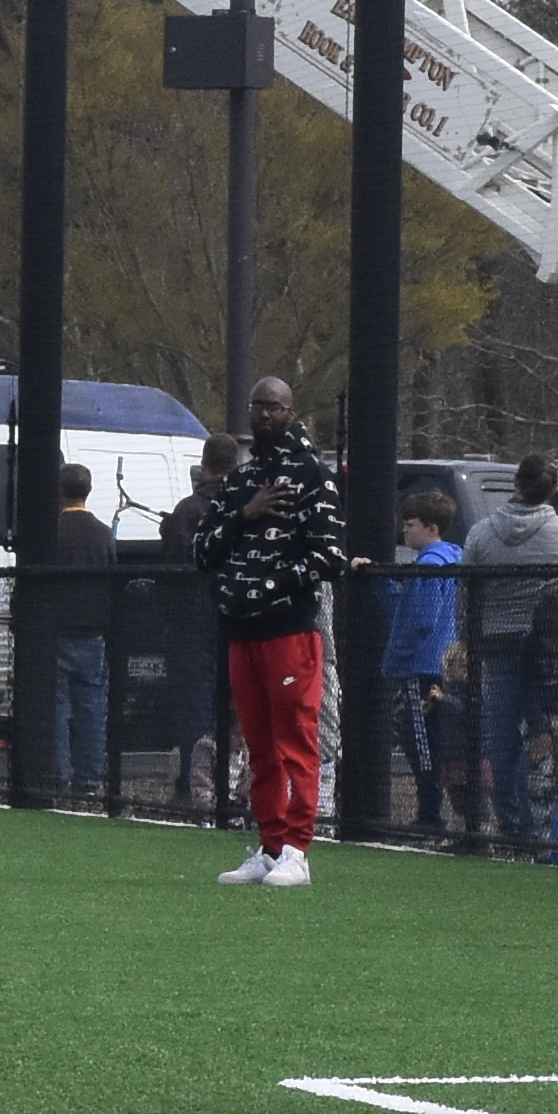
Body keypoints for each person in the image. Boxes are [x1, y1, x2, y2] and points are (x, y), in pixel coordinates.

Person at [174, 374, 358, 885]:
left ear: (290, 412)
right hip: (241, 630)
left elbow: (331, 555)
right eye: (256, 406)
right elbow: (203, 550)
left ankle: (298, 848)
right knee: (257, 743)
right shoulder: (240, 482)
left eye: (273, 407)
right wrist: (244, 515)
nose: (263, 415)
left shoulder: (314, 478)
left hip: (288, 629)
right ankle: (270, 844)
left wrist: (273, 584)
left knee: (295, 737)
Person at [459, 455, 558, 858]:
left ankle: (513, 825)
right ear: (555, 488)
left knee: (500, 739)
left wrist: (467, 636)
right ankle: (540, 828)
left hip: (494, 641)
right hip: (549, 646)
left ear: (515, 482)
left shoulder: (481, 534)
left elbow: (466, 594)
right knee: (542, 733)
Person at [374, 486, 470, 845]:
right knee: (434, 739)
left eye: (410, 524)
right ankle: (434, 811)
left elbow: (420, 617)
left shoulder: (429, 566)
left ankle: (429, 815)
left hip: (421, 664)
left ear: (431, 528)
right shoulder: (455, 560)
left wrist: (402, 651)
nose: (405, 530)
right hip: (443, 663)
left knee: (420, 742)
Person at [27, 460, 117, 800]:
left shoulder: (50, 532)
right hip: (93, 634)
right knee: (92, 710)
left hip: (53, 632)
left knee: (54, 709)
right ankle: (89, 780)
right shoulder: (103, 533)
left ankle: (57, 776)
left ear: (60, 491)